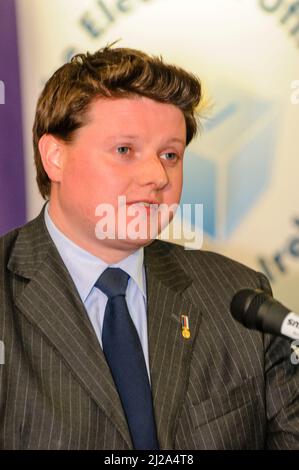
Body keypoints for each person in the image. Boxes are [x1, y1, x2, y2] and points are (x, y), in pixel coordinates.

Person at [0, 45, 298, 450]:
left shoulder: (239, 297)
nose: (157, 175)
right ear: (55, 157)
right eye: (125, 150)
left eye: (170, 154)